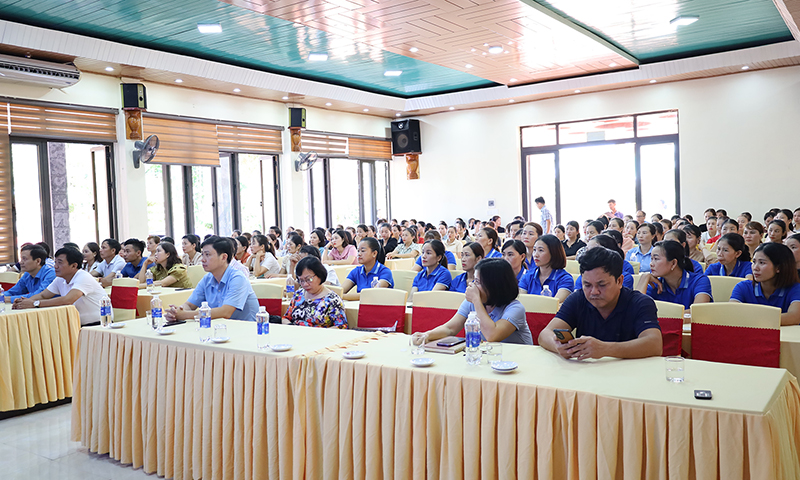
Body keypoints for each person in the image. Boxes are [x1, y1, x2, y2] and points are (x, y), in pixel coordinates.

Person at [539, 247, 662, 359]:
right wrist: (558, 347)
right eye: (587, 285)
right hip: (585, 373)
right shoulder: (578, 298)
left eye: (602, 285)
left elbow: (654, 344)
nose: (594, 292)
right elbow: (545, 334)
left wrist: (605, 349)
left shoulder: (640, 302)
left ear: (619, 281)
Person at [418, 258, 533, 345]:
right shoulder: (473, 302)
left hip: (517, 364)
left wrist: (476, 301)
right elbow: (450, 328)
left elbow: (492, 335)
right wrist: (426, 335)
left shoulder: (515, 308)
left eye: (477, 281)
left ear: (494, 285)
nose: (472, 285)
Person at [164, 236, 259, 322]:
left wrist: (184, 315)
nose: (203, 259)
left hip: (245, 331)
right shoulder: (207, 278)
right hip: (219, 328)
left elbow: (225, 312)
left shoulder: (238, 278)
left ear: (223, 257)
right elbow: (189, 305)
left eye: (207, 255)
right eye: (202, 255)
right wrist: (177, 312)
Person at [13, 247, 107, 326]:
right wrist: (25, 302)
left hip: (98, 324)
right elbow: (43, 295)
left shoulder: (83, 276)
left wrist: (35, 304)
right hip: (75, 323)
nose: (55, 266)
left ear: (74, 266)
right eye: (55, 262)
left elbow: (67, 300)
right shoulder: (60, 278)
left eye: (60, 263)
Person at [731, 243, 800, 326]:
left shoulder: (795, 288)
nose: (755, 268)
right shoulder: (743, 287)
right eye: (754, 262)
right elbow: (732, 313)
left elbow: (794, 317)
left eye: (762, 263)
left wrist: (752, 319)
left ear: (779, 267)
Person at [635, 240, 712, 311]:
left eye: (656, 259)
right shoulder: (655, 284)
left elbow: (698, 312)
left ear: (673, 263)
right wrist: (644, 278)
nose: (651, 264)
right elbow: (635, 310)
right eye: (651, 259)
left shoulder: (699, 280)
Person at [282, 257, 347, 328]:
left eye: (309, 279)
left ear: (320, 275)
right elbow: (286, 318)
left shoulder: (332, 300)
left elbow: (341, 326)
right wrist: (291, 327)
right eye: (301, 280)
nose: (305, 284)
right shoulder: (298, 295)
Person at [519, 234, 573, 302]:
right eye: (535, 250)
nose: (535, 254)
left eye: (541, 250)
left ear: (553, 253)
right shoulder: (527, 277)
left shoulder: (565, 279)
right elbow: (521, 302)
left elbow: (554, 305)